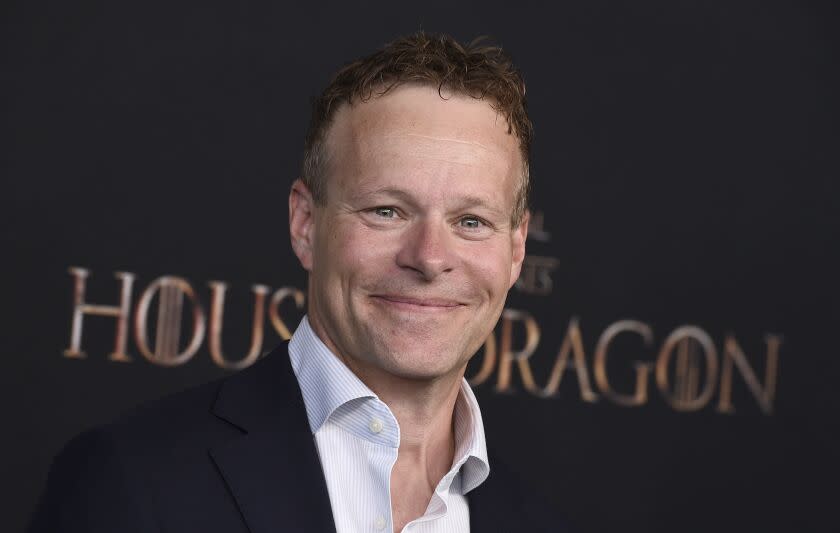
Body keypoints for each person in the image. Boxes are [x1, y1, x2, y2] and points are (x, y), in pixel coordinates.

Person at [29, 31, 561, 532]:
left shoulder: (540, 522)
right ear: (306, 224)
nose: (429, 257)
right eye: (386, 211)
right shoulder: (129, 481)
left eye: (471, 222)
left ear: (515, 251)